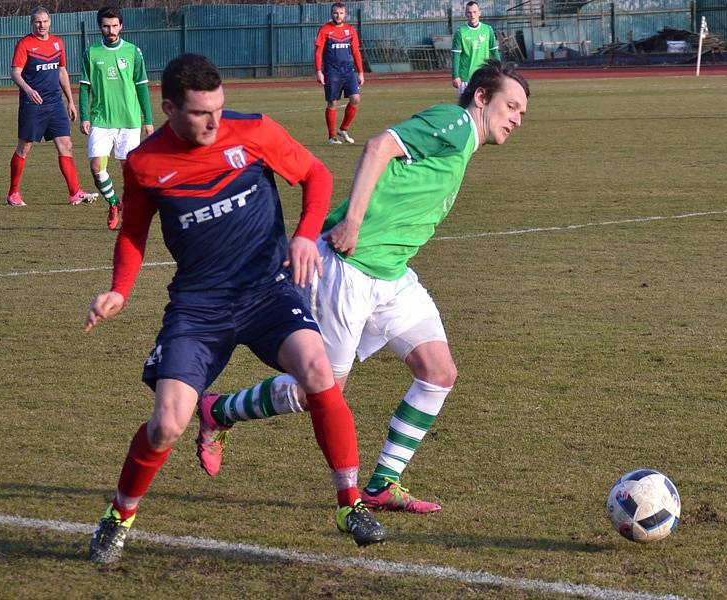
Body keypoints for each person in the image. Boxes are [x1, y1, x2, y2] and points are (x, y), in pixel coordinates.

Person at [84, 53, 387, 564]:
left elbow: (316, 176)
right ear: (169, 108)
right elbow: (134, 231)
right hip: (199, 309)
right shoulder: (145, 163)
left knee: (319, 371)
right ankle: (119, 516)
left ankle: (349, 502)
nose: (214, 121)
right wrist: (120, 290)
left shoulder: (255, 132)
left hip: (267, 291)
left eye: (219, 109)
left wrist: (306, 237)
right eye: (202, 113)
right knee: (167, 425)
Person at [195, 60, 529, 514]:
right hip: (347, 268)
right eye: (511, 106)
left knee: (438, 372)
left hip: (391, 274)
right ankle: (219, 412)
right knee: (321, 392)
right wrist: (352, 221)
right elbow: (378, 147)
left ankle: (381, 486)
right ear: (481, 98)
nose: (516, 118)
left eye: (522, 113)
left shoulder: (464, 143)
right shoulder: (454, 122)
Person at [7, 6, 97, 207]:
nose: (42, 25)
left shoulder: (58, 43)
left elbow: (62, 72)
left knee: (66, 145)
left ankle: (75, 193)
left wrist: (71, 101)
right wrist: (28, 90)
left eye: (45, 21)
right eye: (38, 22)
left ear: (50, 22)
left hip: (55, 103)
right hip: (33, 104)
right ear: (32, 23)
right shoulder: (25, 44)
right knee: (24, 148)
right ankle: (13, 193)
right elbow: (15, 73)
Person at [79, 6, 154, 231]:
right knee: (96, 167)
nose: (110, 30)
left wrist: (148, 120)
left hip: (129, 120)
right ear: (100, 27)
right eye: (106, 26)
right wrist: (84, 116)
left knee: (128, 170)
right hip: (101, 119)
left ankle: (132, 209)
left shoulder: (133, 52)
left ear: (121, 26)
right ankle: (113, 203)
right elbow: (84, 87)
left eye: (114, 25)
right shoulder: (91, 53)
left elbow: (142, 87)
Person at [314, 2, 364, 145]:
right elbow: (318, 52)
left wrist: (361, 72)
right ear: (331, 13)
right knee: (332, 103)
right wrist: (319, 71)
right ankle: (332, 137)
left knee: (355, 99)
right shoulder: (325, 30)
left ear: (345, 14)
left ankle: (343, 129)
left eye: (341, 13)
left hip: (349, 71)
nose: (338, 15)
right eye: (336, 13)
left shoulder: (350, 30)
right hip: (332, 72)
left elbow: (356, 52)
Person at [451, 1, 501, 96]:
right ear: (466, 14)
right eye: (469, 12)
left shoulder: (488, 29)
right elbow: (456, 55)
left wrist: (500, 70)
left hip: (483, 75)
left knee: (484, 105)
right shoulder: (460, 32)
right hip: (465, 77)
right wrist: (455, 76)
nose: (472, 15)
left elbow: (494, 51)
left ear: (479, 12)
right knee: (466, 107)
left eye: (474, 12)